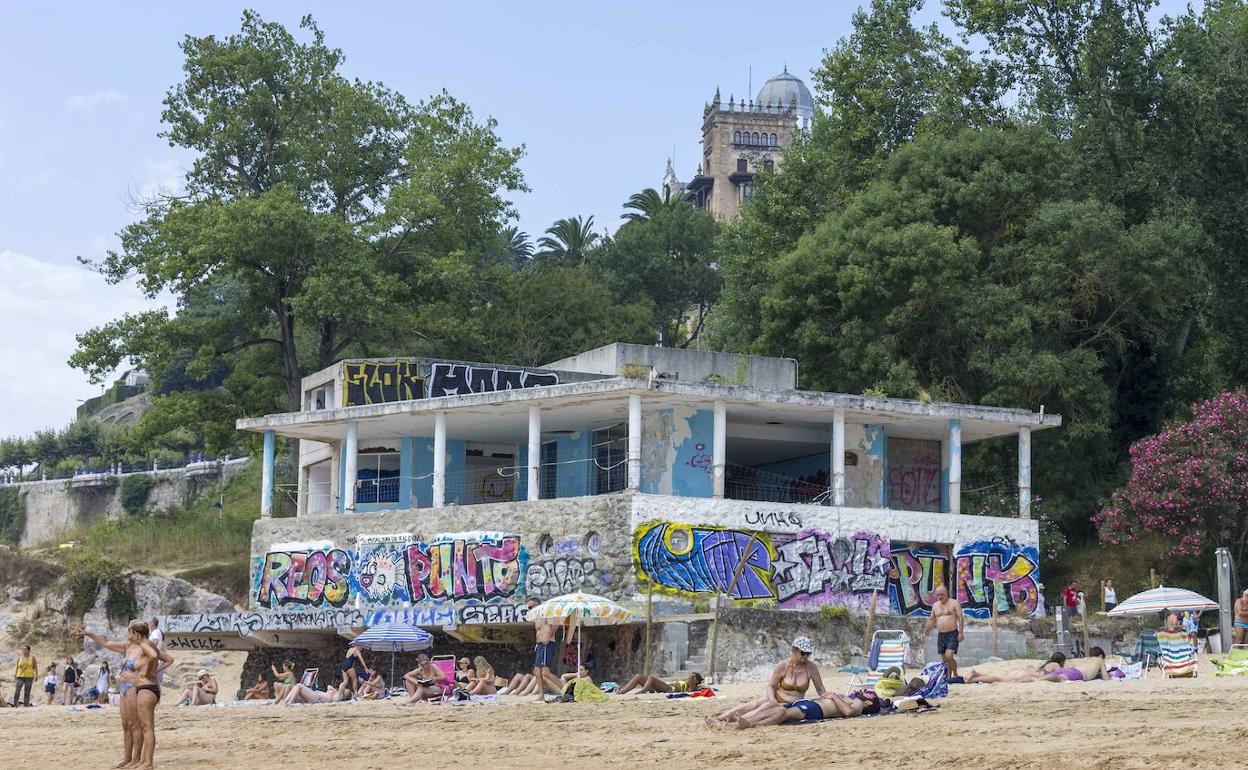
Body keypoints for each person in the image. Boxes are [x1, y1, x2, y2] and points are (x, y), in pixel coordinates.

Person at [77, 621, 174, 770]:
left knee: (136, 725)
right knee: (126, 725)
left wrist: (151, 672)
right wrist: (88, 634)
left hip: (135, 687)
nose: (127, 634)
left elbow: (160, 657)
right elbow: (106, 642)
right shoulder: (128, 646)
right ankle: (127, 758)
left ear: (135, 633)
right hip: (123, 687)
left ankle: (137, 759)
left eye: (129, 631)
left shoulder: (146, 645)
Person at [706, 636, 827, 726]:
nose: (805, 656)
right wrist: (773, 699)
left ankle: (732, 723)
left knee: (760, 710)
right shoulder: (783, 666)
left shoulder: (811, 668)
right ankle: (720, 717)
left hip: (790, 703)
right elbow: (771, 686)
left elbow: (820, 689)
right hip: (775, 697)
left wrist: (828, 699)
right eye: (803, 653)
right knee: (751, 705)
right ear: (794, 651)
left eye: (808, 653)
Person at [735, 690, 886, 729]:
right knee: (778, 709)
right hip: (812, 704)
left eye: (869, 694)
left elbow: (848, 712)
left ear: (868, 703)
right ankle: (744, 721)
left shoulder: (859, 703)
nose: (865, 691)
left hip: (817, 709)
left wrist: (833, 696)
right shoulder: (854, 699)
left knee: (782, 713)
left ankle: (750, 724)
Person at [922, 585, 965, 678]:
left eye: (942, 594)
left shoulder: (954, 603)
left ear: (946, 593)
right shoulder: (935, 606)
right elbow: (931, 620)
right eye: (938, 595)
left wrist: (961, 632)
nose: (940, 597)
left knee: (949, 656)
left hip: (952, 634)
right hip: (941, 635)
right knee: (944, 659)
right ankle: (949, 676)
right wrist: (925, 632)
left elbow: (960, 617)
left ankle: (956, 673)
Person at [529, 597, 563, 702]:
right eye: (529, 607)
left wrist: (548, 637)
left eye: (531, 606)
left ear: (538, 605)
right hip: (540, 645)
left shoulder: (546, 613)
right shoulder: (537, 617)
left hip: (546, 644)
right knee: (537, 672)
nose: (530, 609)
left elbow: (556, 623)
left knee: (545, 672)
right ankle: (541, 695)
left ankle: (566, 688)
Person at [964, 653, 1068, 684]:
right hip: (1025, 675)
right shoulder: (1056, 665)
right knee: (999, 680)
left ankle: (976, 675)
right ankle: (975, 678)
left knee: (999, 678)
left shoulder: (1048, 664)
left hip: (1022, 673)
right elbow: (1059, 674)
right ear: (1061, 660)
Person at [616, 670, 703, 695]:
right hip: (665, 687)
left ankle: (642, 691)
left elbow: (691, 691)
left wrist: (692, 679)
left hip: (669, 689)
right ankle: (623, 691)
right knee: (638, 676)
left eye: (693, 677)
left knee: (651, 678)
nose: (690, 677)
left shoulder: (692, 687)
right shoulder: (686, 682)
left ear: (696, 680)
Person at [278, 682, 347, 705]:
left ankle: (290, 702)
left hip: (317, 698)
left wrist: (337, 692)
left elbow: (342, 684)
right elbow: (329, 686)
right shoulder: (336, 694)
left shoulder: (339, 697)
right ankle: (285, 701)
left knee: (299, 685)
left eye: (346, 690)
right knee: (296, 686)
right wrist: (335, 691)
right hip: (315, 696)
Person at [147, 618, 168, 686]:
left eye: (149, 622)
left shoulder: (155, 632)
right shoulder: (158, 631)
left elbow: (155, 641)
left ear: (152, 623)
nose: (148, 624)